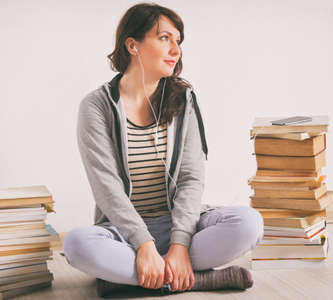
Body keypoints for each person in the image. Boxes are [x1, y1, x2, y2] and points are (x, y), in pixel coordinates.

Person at [64, 3, 264, 297]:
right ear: (133, 45)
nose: (176, 50)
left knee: (249, 224)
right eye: (164, 38)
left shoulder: (183, 101)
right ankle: (197, 279)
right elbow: (107, 189)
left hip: (179, 223)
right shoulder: (96, 107)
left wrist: (180, 244)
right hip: (124, 233)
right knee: (77, 245)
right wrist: (143, 245)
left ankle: (127, 278)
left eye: (178, 41)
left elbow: (191, 178)